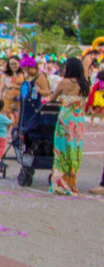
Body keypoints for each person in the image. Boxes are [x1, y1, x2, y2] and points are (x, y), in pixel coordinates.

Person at [49, 57, 90, 195]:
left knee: (61, 152)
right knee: (74, 152)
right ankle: (72, 184)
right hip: (78, 123)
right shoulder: (85, 84)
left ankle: (61, 183)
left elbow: (52, 98)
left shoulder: (64, 82)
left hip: (65, 122)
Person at [0, 55, 23, 123]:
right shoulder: (5, 76)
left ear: (19, 63)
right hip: (7, 103)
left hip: (19, 103)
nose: (13, 66)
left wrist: (14, 86)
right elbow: (1, 90)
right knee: (8, 122)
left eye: (15, 63)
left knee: (17, 122)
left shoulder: (23, 75)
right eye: (11, 64)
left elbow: (25, 88)